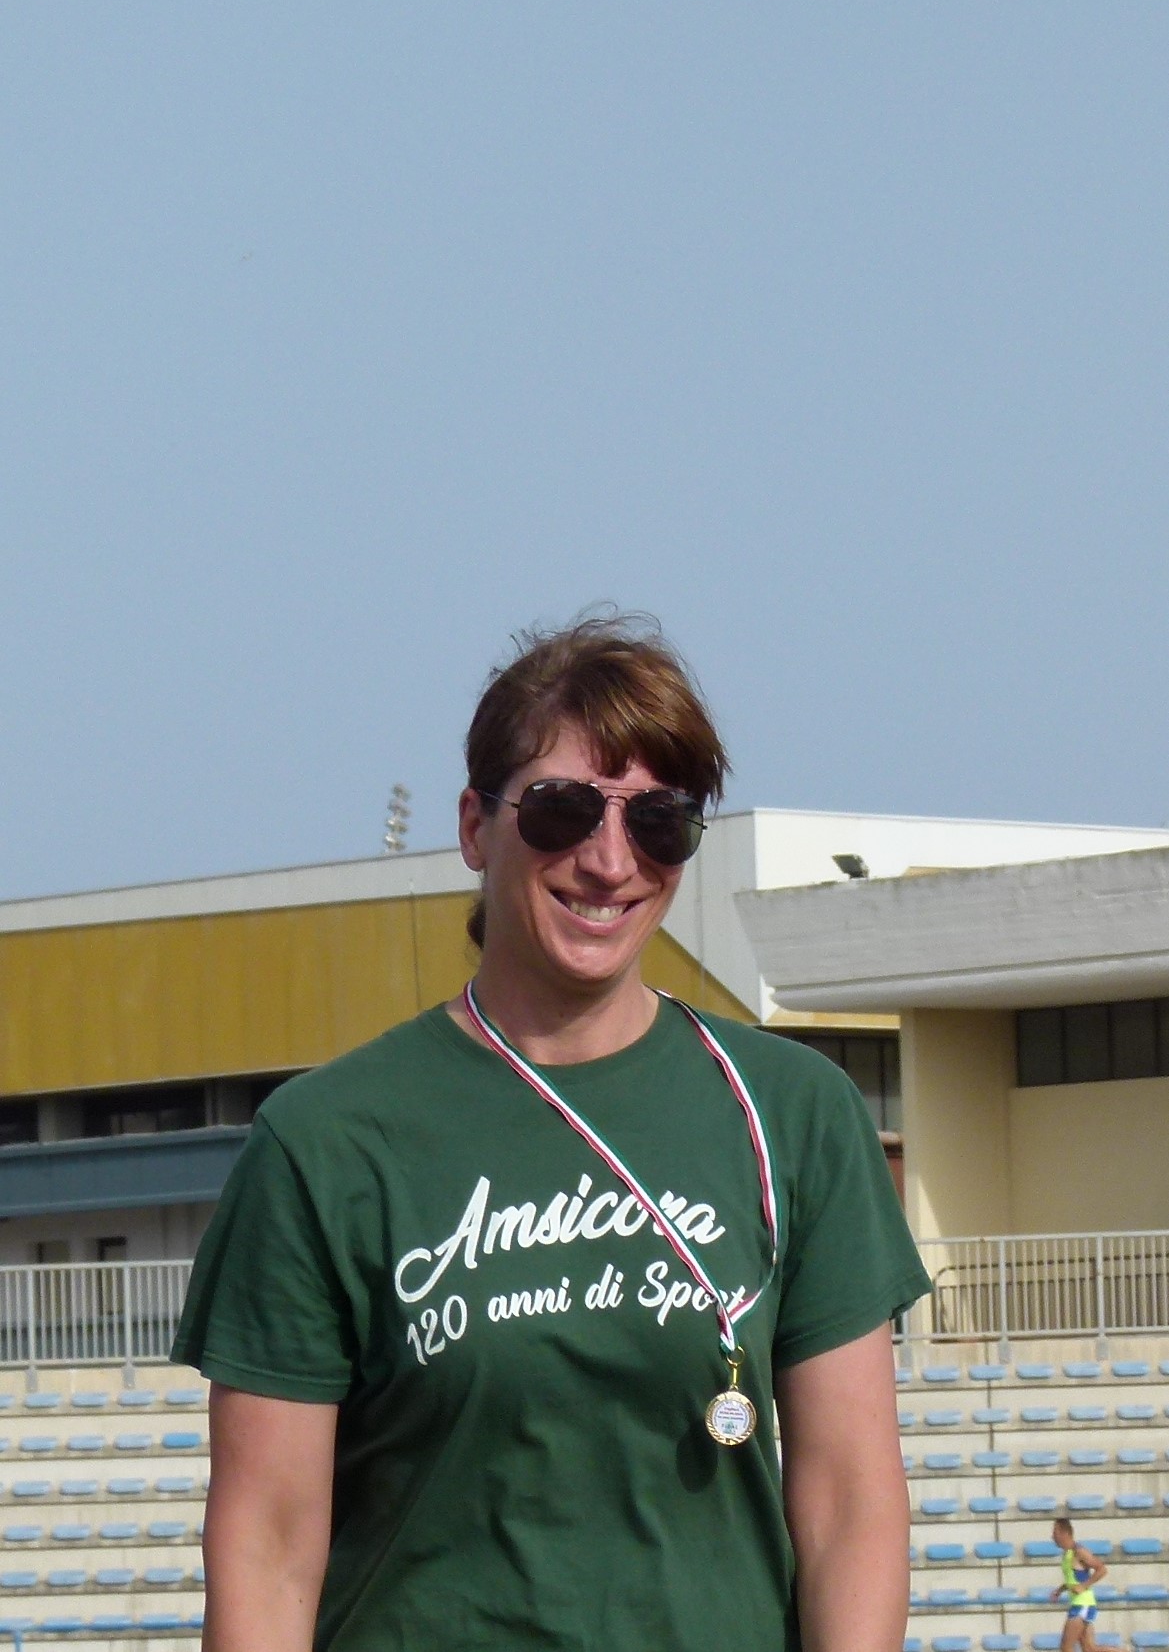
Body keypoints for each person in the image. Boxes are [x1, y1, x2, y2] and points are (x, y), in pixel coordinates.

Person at [172, 612, 931, 1652]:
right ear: (475, 827)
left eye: (658, 820)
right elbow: (266, 1542)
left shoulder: (795, 1113)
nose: (609, 860)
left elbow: (850, 1502)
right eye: (563, 809)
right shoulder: (325, 1141)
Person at [1050, 1517, 1122, 1652]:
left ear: (1065, 1533)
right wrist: (1060, 1590)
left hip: (1082, 1604)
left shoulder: (1079, 1551)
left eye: (1055, 1532)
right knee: (1090, 1649)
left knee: (1066, 1648)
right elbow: (1073, 1580)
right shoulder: (1067, 1554)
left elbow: (1101, 1569)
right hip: (1080, 1604)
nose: (1052, 1537)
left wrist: (1084, 1586)